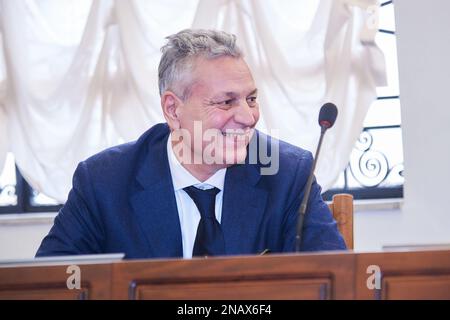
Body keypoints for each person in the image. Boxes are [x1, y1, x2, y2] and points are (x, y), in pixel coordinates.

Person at [36, 29, 345, 259]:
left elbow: (335, 281)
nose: (248, 117)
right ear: (173, 109)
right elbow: (50, 286)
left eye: (251, 99)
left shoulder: (287, 172)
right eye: (226, 102)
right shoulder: (104, 181)